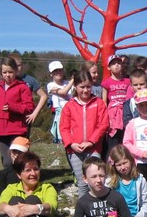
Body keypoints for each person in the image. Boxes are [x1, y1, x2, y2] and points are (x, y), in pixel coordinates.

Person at [60, 68, 109, 196]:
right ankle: (82, 213)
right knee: (82, 183)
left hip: (93, 148)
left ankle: (97, 209)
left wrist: (91, 141)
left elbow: (103, 124)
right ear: (75, 86)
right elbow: (64, 128)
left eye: (88, 87)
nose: (86, 90)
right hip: (74, 150)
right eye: (82, 87)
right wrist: (71, 144)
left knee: (95, 182)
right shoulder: (69, 106)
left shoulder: (99, 103)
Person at [0, 56, 34, 175]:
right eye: (5, 72)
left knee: (20, 160)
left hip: (17, 130)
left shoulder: (23, 87)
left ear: (16, 71)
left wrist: (12, 107)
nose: (8, 75)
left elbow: (29, 107)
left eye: (10, 72)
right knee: (7, 162)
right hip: (1, 131)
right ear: (0, 72)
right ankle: (10, 186)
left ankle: (24, 184)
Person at [107, 145, 147, 217]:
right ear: (113, 166)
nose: (122, 167)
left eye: (124, 163)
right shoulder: (110, 182)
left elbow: (146, 203)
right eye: (118, 165)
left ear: (131, 161)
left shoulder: (140, 180)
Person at [102, 54, 134, 153]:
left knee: (125, 140)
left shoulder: (128, 81)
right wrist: (106, 117)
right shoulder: (106, 82)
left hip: (125, 113)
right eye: (113, 63)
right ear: (108, 67)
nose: (116, 65)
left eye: (119, 63)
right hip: (113, 116)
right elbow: (104, 101)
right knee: (113, 143)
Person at [10, 52, 49, 130]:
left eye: (19, 65)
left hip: (25, 117)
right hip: (11, 117)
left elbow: (43, 96)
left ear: (22, 65)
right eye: (14, 66)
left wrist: (35, 113)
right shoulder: (7, 80)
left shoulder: (30, 80)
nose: (17, 68)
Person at [47, 60, 73, 144]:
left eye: (60, 70)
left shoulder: (68, 83)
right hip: (60, 110)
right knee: (60, 130)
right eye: (55, 71)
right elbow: (63, 92)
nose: (58, 72)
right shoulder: (50, 85)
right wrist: (72, 81)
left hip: (71, 110)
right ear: (51, 74)